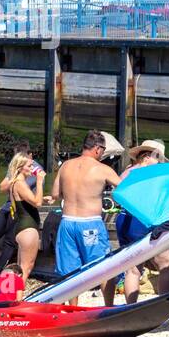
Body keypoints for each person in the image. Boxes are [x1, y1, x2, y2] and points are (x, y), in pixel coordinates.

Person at [51, 130, 120, 304]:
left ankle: (73, 310)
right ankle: (109, 308)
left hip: (67, 223)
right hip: (90, 225)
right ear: (97, 148)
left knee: (71, 271)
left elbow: (55, 193)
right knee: (105, 269)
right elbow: (125, 190)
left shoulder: (66, 165)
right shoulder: (103, 168)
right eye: (103, 150)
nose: (103, 154)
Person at [103, 139, 169, 306]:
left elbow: (117, 195)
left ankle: (131, 306)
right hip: (143, 220)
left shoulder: (127, 172)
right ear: (148, 156)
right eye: (158, 158)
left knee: (133, 268)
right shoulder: (153, 174)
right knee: (166, 262)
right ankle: (165, 304)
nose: (159, 163)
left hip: (124, 220)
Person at [0, 142, 48, 284]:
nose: (31, 168)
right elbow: (4, 188)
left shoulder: (33, 169)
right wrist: (24, 176)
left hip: (22, 211)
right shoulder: (19, 177)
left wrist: (17, 174)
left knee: (10, 244)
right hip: (19, 213)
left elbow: (32, 198)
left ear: (30, 156)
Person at [3, 152, 43, 285]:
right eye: (30, 166)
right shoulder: (20, 183)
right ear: (20, 167)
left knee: (20, 269)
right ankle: (17, 301)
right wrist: (39, 181)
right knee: (26, 269)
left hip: (23, 228)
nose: (33, 169)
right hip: (28, 230)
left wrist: (45, 198)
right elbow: (37, 203)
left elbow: (30, 201)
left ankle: (13, 298)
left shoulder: (16, 183)